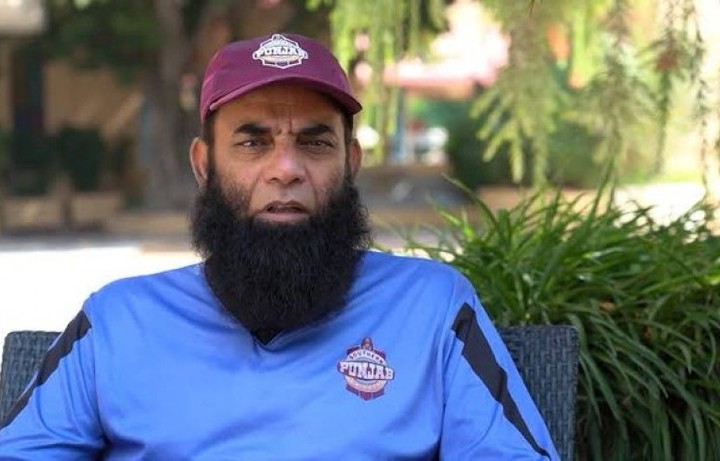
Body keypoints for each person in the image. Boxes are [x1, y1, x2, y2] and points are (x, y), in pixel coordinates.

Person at [0, 32, 559, 460]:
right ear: (204, 165)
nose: (286, 168)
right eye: (253, 143)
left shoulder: (432, 308)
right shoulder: (118, 321)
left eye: (315, 143)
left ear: (350, 163)